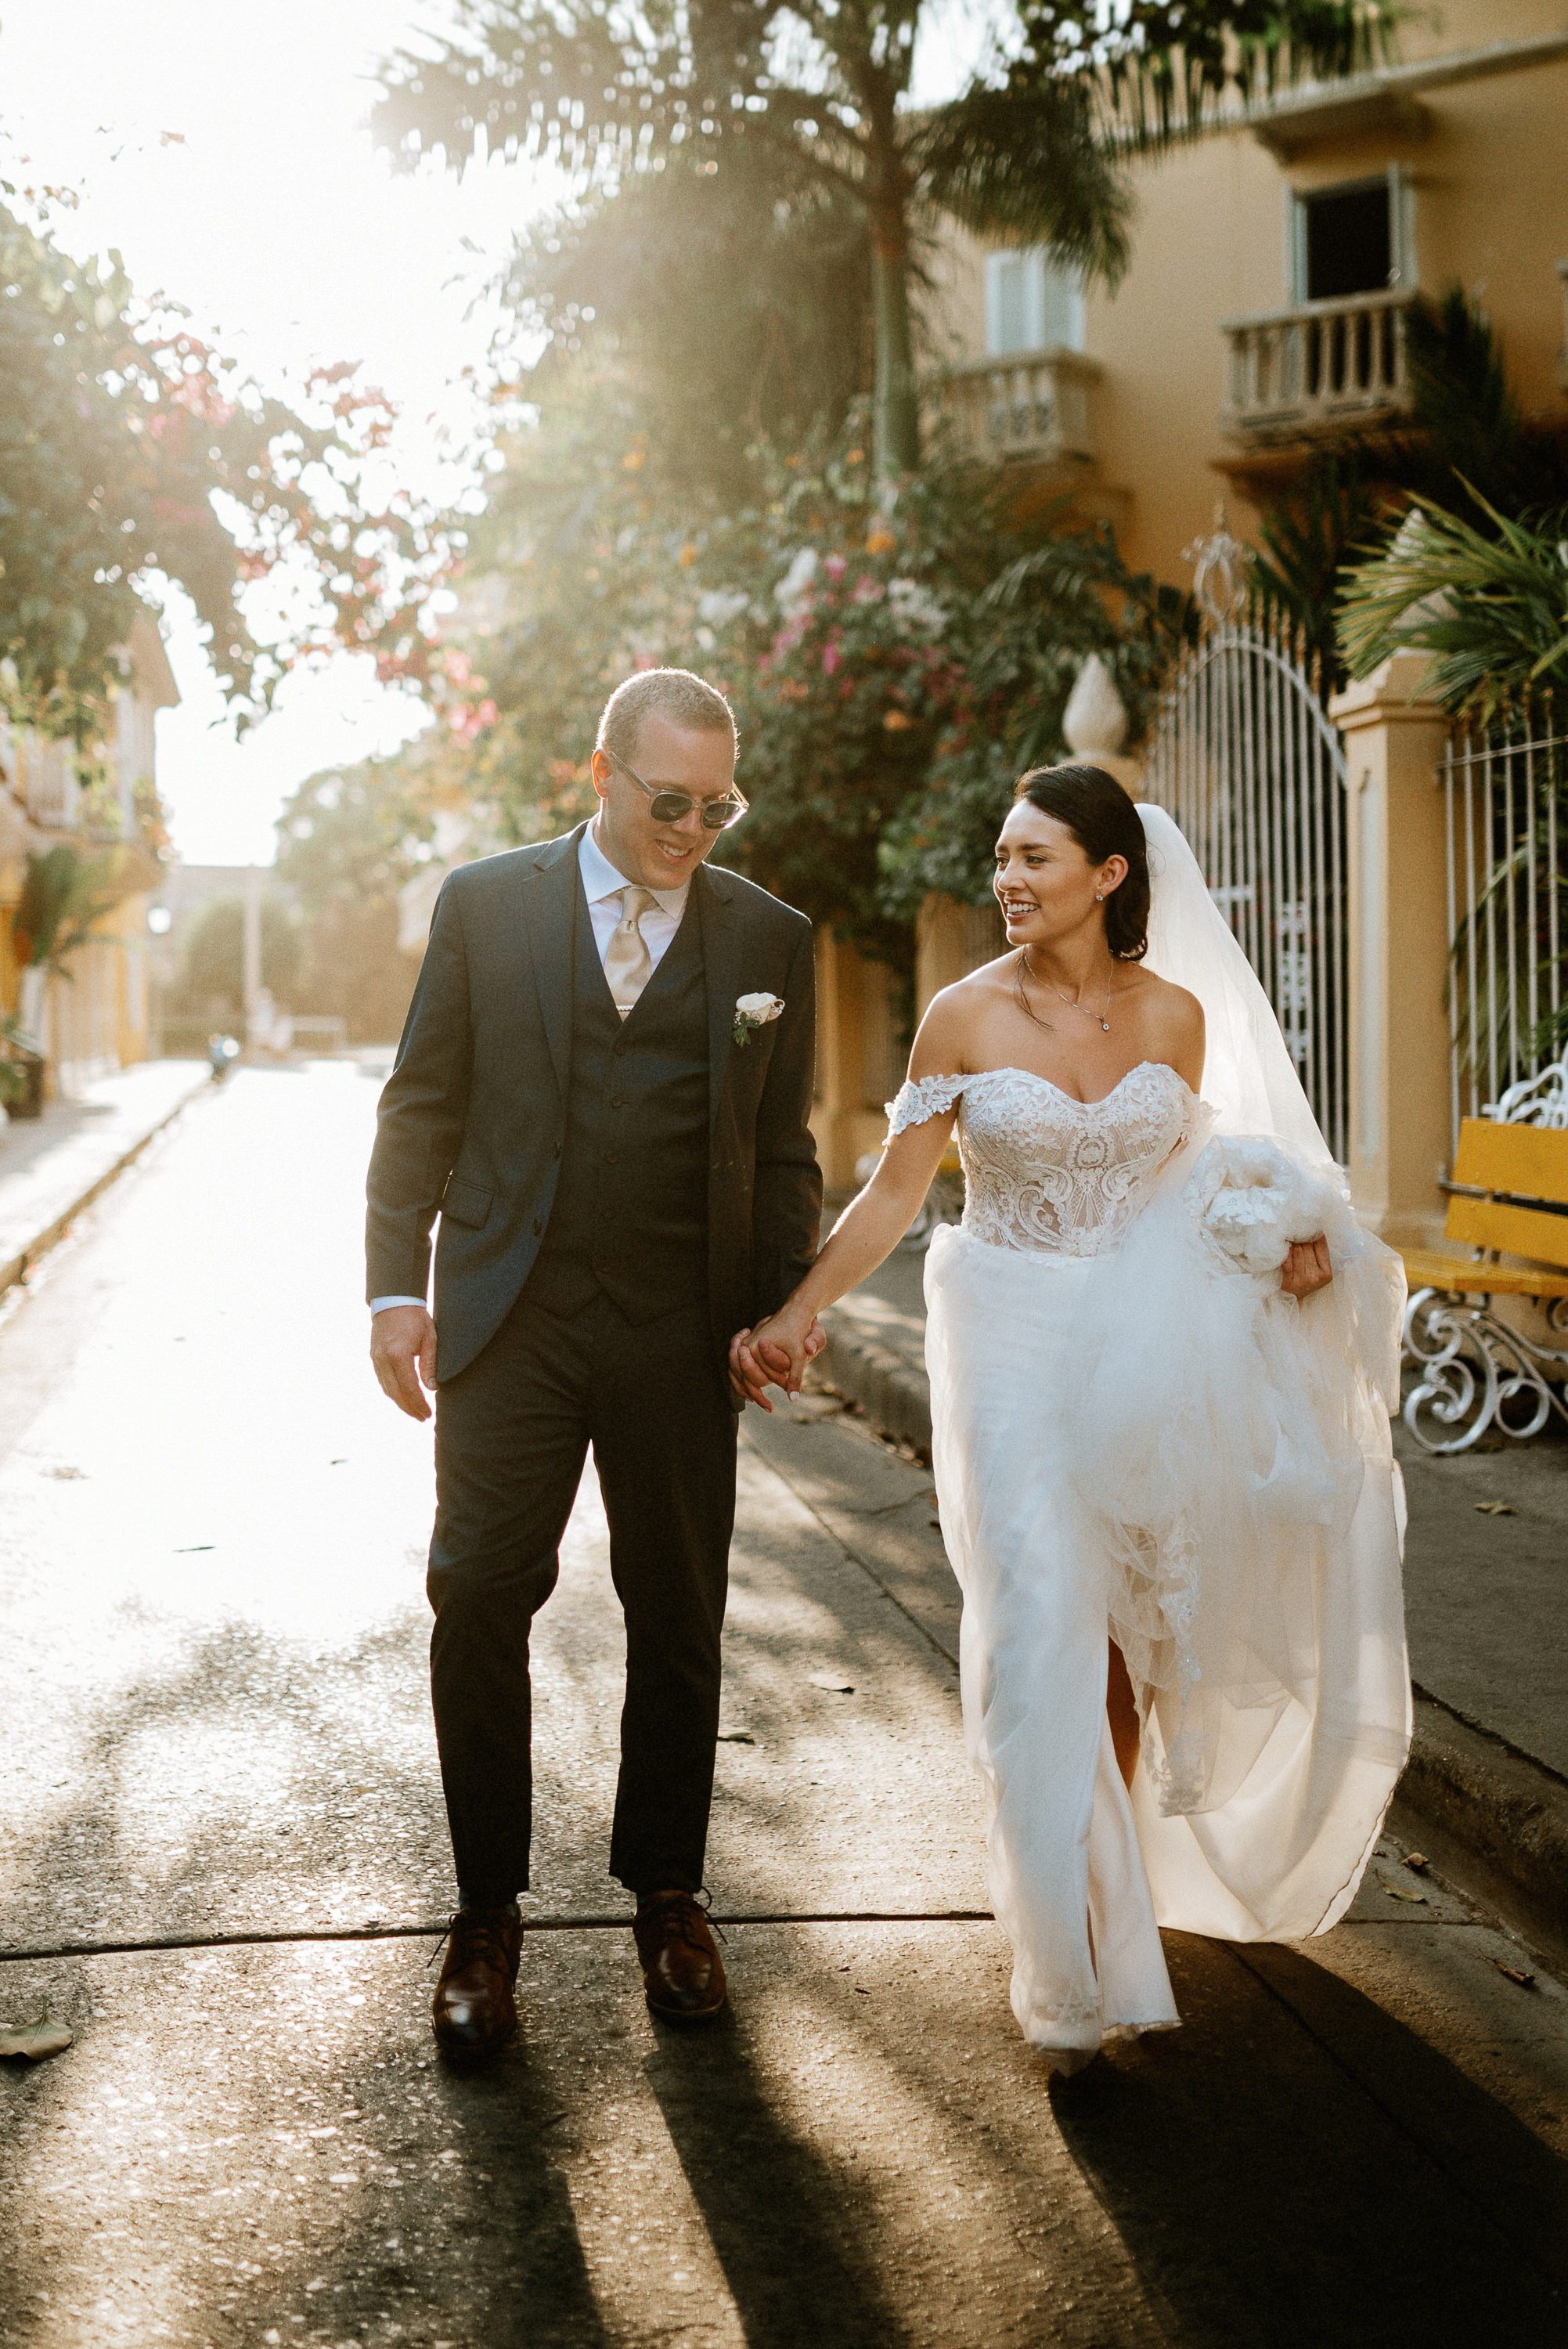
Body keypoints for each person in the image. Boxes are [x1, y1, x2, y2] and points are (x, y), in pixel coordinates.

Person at [734, 764, 1410, 2072]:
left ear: (1108, 875)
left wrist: (1284, 1244)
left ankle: (1102, 1891)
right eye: (1000, 857)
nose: (1007, 880)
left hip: (1147, 1340)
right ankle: (1072, 1969)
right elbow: (889, 1197)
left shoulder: (1174, 1017)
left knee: (1134, 1631)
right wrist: (798, 1313)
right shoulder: (960, 1017)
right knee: (1046, 1623)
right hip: (1009, 1337)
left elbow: (1192, 1183)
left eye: (1035, 858)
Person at [366, 668, 823, 2059]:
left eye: (718, 804)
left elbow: (786, 1150)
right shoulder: (486, 905)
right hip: (512, 1316)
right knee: (476, 1597)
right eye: (669, 800)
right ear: (601, 774)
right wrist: (395, 1288)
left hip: (681, 1331)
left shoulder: (768, 937)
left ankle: (671, 1898)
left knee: (677, 1613)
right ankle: (486, 1915)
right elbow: (420, 1105)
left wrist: (779, 1309)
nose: (694, 829)